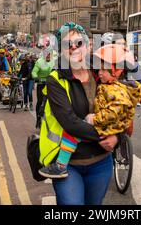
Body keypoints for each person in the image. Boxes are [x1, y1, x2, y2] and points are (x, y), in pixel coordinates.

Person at [38, 22, 118, 205]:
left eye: (78, 43)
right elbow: (70, 122)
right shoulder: (55, 79)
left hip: (101, 162)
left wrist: (118, 137)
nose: (73, 47)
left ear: (88, 45)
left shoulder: (101, 74)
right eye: (67, 44)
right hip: (68, 164)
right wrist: (105, 134)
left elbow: (119, 109)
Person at [39, 43, 141, 178]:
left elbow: (117, 113)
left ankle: (60, 166)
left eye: (103, 70)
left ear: (117, 72)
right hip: (104, 131)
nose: (99, 73)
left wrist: (94, 119)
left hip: (105, 127)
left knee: (71, 136)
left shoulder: (115, 90)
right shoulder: (111, 84)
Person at [31, 49, 54, 128]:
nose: (48, 56)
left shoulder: (54, 62)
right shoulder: (39, 62)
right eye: (46, 55)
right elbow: (34, 72)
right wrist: (36, 78)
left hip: (51, 85)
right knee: (40, 101)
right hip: (41, 84)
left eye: (49, 54)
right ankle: (38, 119)